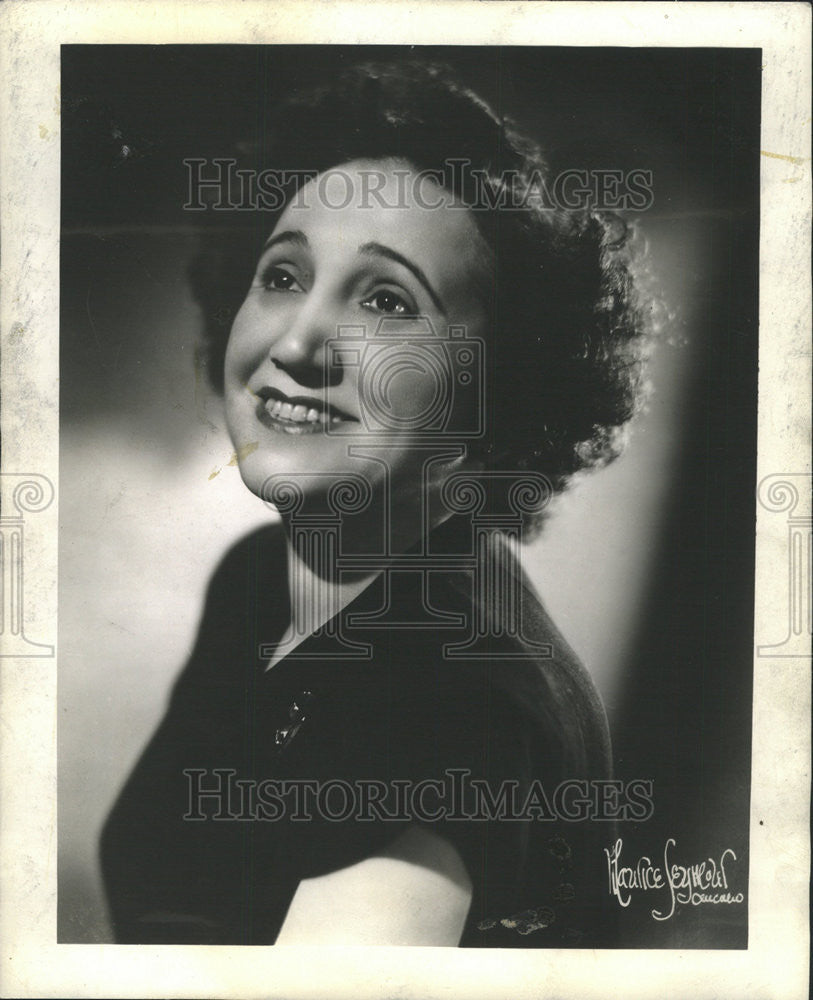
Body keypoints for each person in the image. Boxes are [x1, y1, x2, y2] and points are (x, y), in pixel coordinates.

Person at [100, 60, 652, 947]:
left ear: (497, 391)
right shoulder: (259, 579)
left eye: (387, 301)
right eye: (282, 275)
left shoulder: (456, 714)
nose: (299, 339)